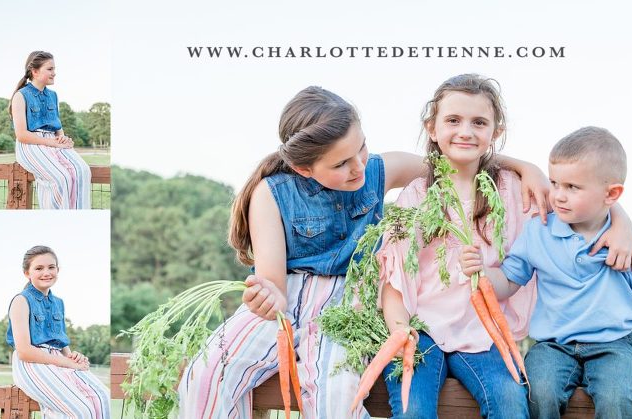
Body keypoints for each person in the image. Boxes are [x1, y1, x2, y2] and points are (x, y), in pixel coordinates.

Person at [176, 85, 563, 418]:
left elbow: (455, 157)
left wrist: (525, 167)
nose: (359, 166)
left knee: (337, 395)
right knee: (207, 375)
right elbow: (273, 282)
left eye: (361, 148)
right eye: (341, 163)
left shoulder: (380, 169)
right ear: (304, 168)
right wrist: (268, 297)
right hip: (285, 297)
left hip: (351, 303)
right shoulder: (271, 193)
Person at [460, 126, 632, 418]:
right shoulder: (537, 233)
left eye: (572, 187)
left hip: (614, 346)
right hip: (553, 346)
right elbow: (508, 282)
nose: (558, 196)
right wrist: (483, 272)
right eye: (555, 183)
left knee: (616, 399)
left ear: (612, 194)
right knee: (539, 394)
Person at [6, 245, 110, 418]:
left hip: (58, 359)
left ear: (57, 270)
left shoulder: (58, 303)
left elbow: (60, 342)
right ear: (27, 273)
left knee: (103, 398)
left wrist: (73, 358)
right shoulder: (21, 300)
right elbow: (24, 351)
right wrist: (67, 363)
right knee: (81, 410)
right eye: (39, 268)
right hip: (32, 363)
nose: (46, 272)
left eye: (51, 267)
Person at [9, 51, 91, 209]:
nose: (54, 73)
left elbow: (57, 126)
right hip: (30, 145)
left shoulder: (53, 95)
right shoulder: (20, 96)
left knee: (82, 171)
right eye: (50, 69)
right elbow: (21, 135)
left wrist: (63, 138)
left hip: (53, 142)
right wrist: (53, 143)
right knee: (60, 177)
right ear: (35, 71)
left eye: (54, 69)